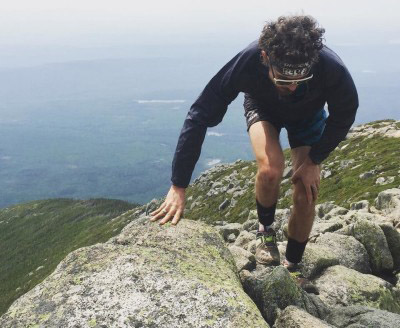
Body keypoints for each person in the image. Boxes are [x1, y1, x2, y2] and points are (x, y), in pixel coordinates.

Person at [150, 15, 358, 293]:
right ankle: (265, 232)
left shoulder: (330, 66)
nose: (293, 86)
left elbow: (344, 113)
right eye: (283, 78)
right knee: (271, 168)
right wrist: (179, 185)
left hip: (308, 117)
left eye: (300, 79)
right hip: (263, 107)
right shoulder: (247, 61)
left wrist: (314, 160)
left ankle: (292, 267)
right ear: (265, 57)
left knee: (306, 192)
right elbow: (200, 115)